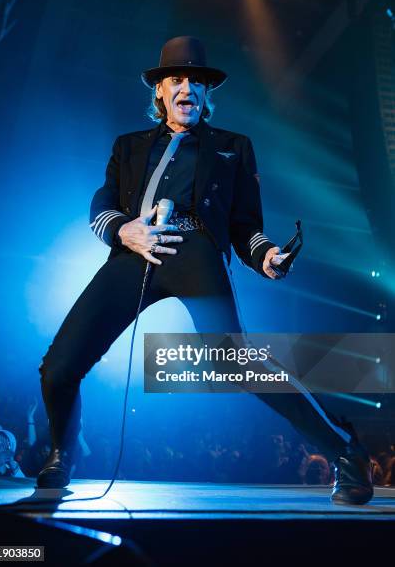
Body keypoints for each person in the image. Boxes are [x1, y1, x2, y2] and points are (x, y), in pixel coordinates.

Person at [37, 36, 373, 504]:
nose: (187, 87)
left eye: (197, 80)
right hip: (135, 249)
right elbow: (102, 202)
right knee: (57, 367)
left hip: (196, 250)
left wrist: (266, 256)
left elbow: (245, 225)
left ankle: (344, 452)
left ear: (207, 94)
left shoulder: (233, 147)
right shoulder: (129, 146)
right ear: (160, 91)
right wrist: (122, 231)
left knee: (238, 364)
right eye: (176, 78)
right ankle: (62, 453)